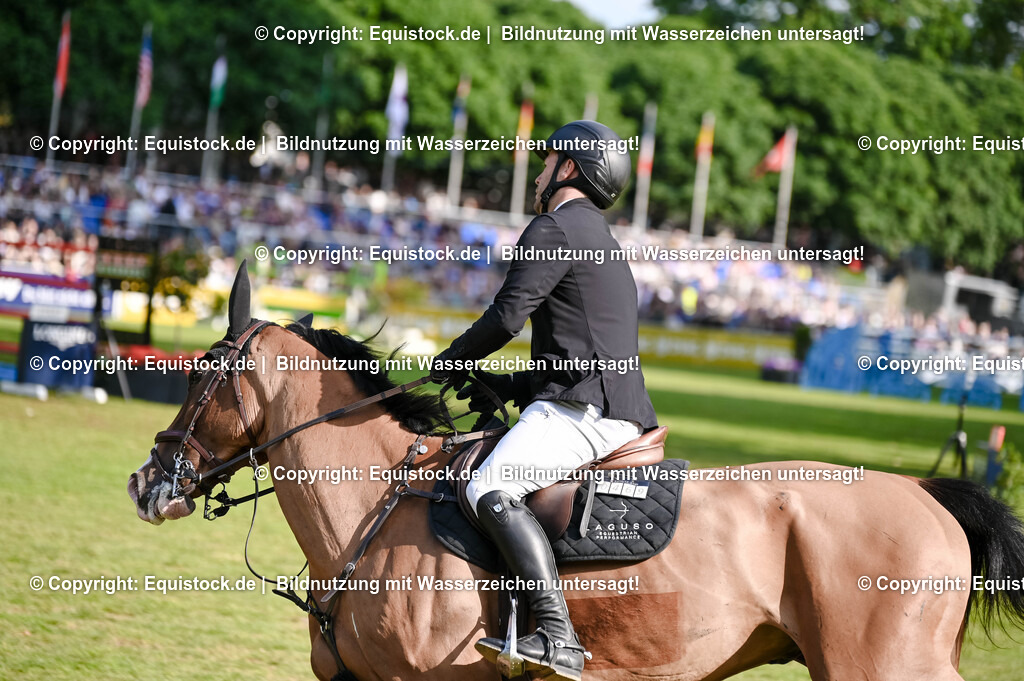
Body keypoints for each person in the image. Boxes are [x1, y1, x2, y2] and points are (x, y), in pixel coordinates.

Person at [431, 120, 658, 681]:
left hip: (588, 413)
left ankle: (557, 636)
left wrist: (454, 359)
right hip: (602, 403)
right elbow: (579, 348)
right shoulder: (604, 240)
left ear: (569, 169)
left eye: (546, 161)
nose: (537, 172)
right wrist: (506, 388)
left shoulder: (553, 227)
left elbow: (507, 316)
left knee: (488, 485)